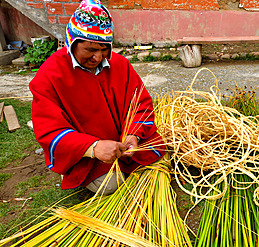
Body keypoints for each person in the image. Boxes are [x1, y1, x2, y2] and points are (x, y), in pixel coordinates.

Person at [29, 0, 165, 195]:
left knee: (159, 150)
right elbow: (49, 130)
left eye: (104, 49)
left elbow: (140, 103)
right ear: (72, 43)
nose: (98, 58)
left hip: (123, 145)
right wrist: (93, 148)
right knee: (111, 183)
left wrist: (133, 134)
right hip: (88, 155)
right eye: (91, 50)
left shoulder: (119, 65)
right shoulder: (50, 76)